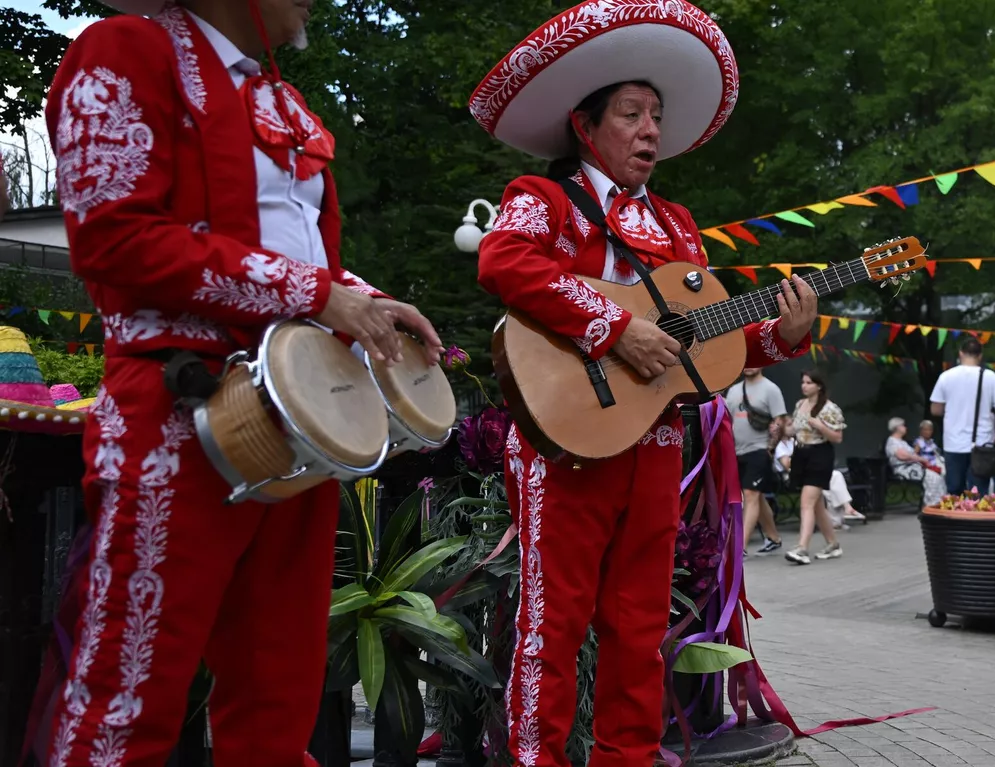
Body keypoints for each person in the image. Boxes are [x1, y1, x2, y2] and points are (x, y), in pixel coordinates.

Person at [38, 1, 445, 763]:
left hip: (299, 420)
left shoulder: (279, 96)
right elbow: (115, 238)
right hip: (177, 413)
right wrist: (321, 296)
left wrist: (367, 301)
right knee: (128, 697)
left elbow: (305, 263)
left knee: (279, 696)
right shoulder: (126, 49)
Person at [469, 4, 815, 760]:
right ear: (586, 127)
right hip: (562, 443)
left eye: (656, 115)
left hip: (655, 445)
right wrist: (619, 327)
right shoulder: (545, 198)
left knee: (639, 628)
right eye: (632, 113)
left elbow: (712, 343)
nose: (652, 130)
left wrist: (782, 334)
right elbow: (503, 262)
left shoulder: (681, 226)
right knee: (550, 624)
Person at [930, 337, 995, 495]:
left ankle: (956, 518)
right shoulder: (990, 377)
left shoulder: (946, 376)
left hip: (953, 442)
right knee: (978, 491)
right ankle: (976, 518)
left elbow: (936, 410)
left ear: (960, 353)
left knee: (954, 490)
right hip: (982, 443)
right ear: (980, 356)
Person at [786, 371, 846, 564]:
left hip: (820, 454)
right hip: (801, 454)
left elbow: (837, 437)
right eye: (803, 382)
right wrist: (779, 428)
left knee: (807, 502)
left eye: (809, 382)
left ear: (818, 386)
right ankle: (833, 544)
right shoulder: (799, 405)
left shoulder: (829, 408)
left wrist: (820, 426)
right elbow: (793, 430)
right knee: (817, 505)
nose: (804, 386)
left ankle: (802, 548)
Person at [729, 369, 788, 554]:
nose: (750, 365)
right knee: (756, 496)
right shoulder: (733, 390)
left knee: (751, 494)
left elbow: (780, 420)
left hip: (759, 450)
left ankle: (740, 547)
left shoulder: (771, 389)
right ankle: (773, 537)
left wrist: (770, 448)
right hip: (737, 451)